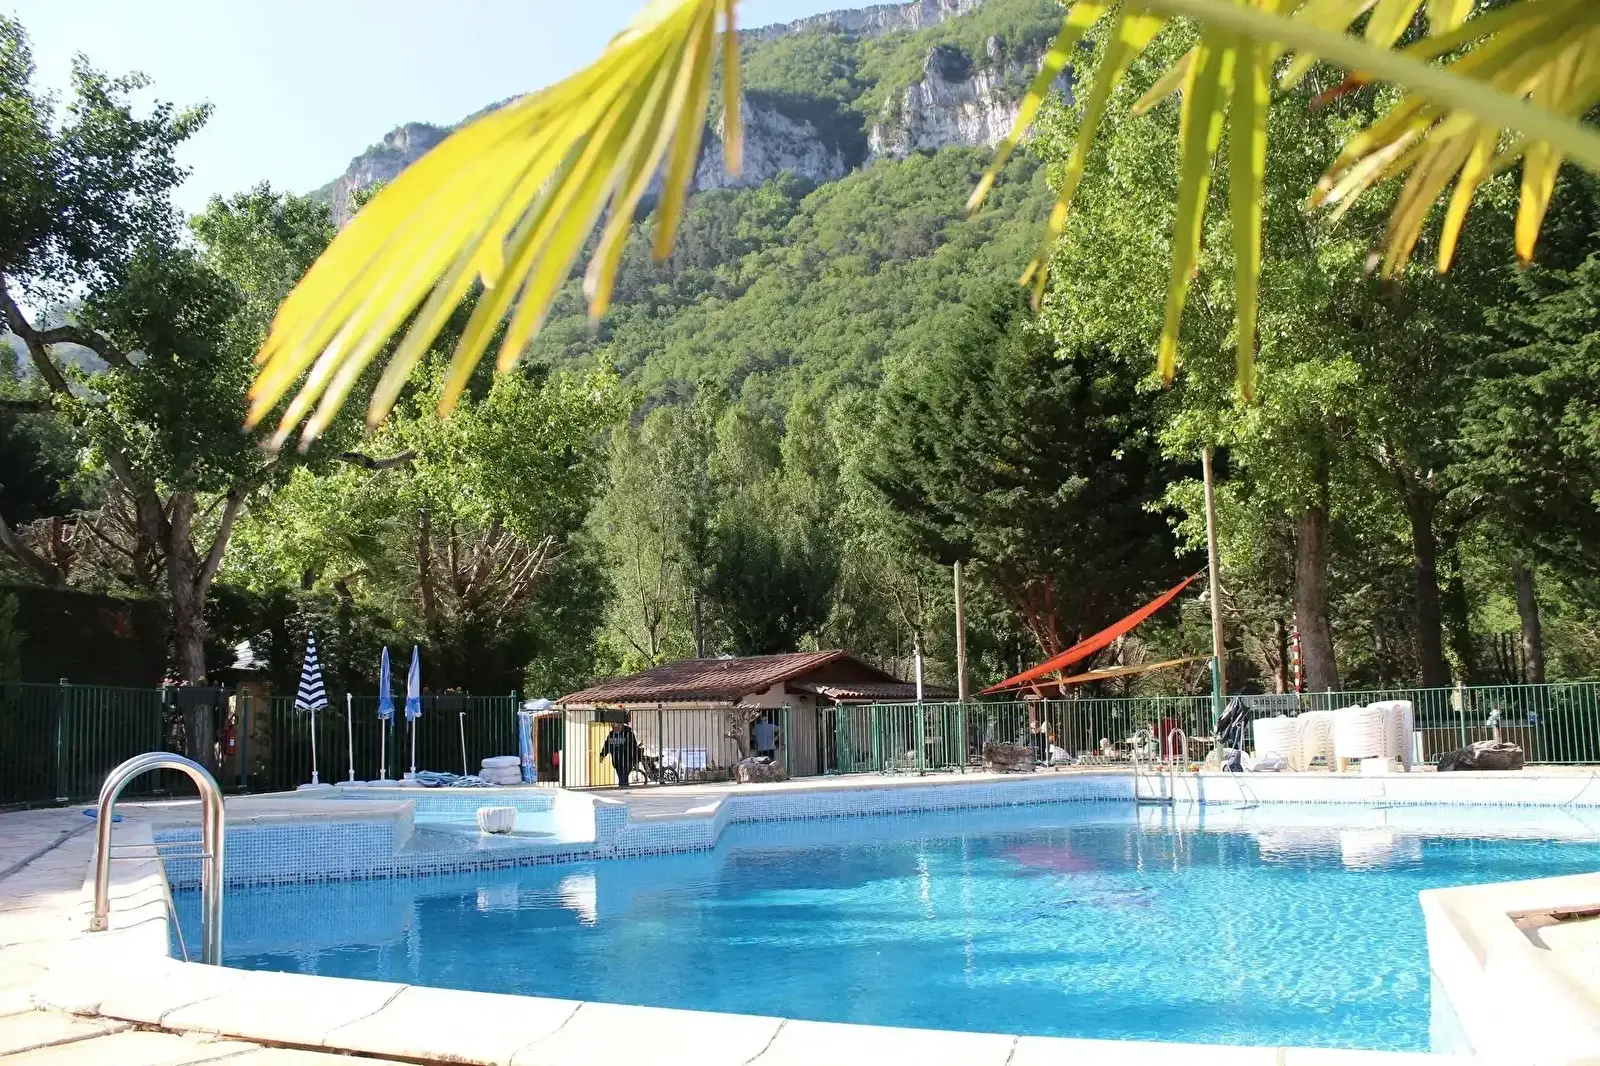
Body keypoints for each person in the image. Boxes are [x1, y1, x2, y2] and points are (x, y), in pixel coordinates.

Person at [600, 719, 641, 788]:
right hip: (616, 760)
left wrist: (635, 759)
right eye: (612, 724)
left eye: (614, 723)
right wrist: (602, 755)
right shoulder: (611, 734)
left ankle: (623, 788)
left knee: (623, 777)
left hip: (627, 759)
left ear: (620, 724)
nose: (612, 725)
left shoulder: (628, 734)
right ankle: (624, 788)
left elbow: (634, 747)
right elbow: (607, 745)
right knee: (621, 776)